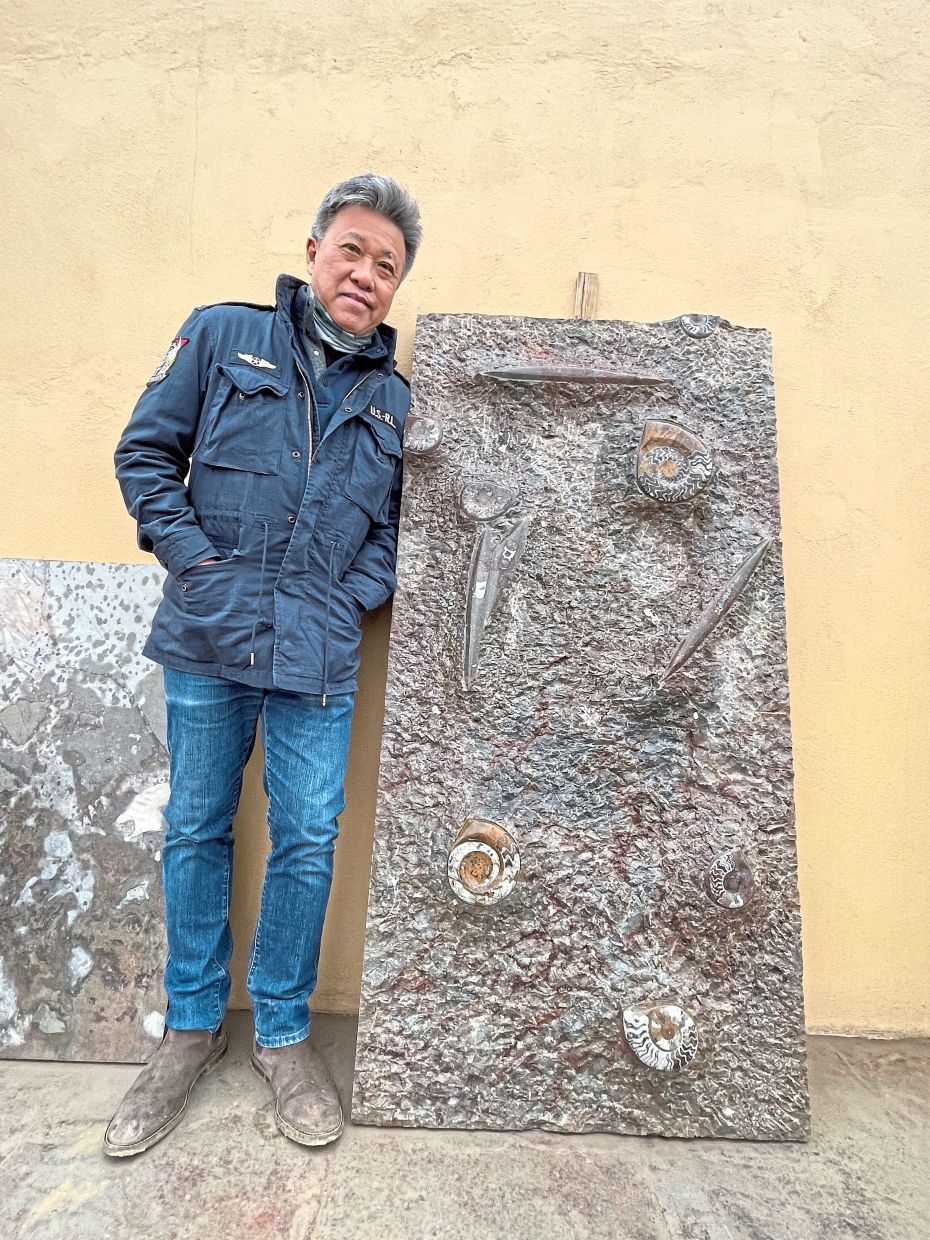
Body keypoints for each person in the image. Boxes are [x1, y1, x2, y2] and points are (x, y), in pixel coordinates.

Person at [106, 174, 421, 1156]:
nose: (365, 275)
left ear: (396, 285)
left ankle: (282, 1033)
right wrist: (197, 565)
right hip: (208, 638)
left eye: (388, 265)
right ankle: (190, 1029)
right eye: (353, 251)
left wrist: (351, 594)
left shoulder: (395, 400)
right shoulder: (218, 336)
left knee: (308, 838)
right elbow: (144, 457)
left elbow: (402, 530)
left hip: (317, 657)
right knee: (197, 826)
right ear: (318, 247)